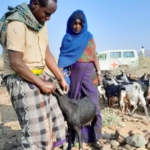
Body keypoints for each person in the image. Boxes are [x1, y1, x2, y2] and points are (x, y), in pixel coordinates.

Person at [0, 0, 69, 149]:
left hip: (38, 74)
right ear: (35, 4)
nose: (49, 18)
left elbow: (46, 52)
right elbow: (16, 63)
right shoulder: (16, 23)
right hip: (19, 77)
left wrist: (60, 77)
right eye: (47, 13)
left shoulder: (40, 23)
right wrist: (42, 84)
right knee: (37, 131)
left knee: (56, 118)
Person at [58, 10, 103, 148]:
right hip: (74, 74)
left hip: (90, 74)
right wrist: (60, 78)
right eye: (75, 23)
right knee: (74, 105)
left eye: (79, 24)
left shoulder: (89, 37)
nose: (77, 26)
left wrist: (99, 73)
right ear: (71, 24)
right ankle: (75, 138)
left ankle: (96, 137)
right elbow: (62, 60)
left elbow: (94, 56)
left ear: (84, 24)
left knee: (94, 104)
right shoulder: (67, 38)